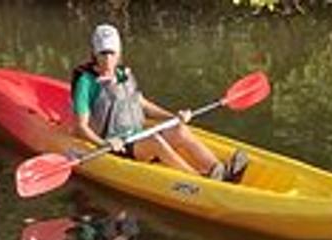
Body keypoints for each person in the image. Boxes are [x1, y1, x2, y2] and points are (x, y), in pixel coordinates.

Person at [70, 23, 248, 184]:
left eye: (112, 53)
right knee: (155, 142)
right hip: (117, 145)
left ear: (119, 53)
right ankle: (199, 182)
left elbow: (142, 104)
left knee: (180, 129)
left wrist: (173, 117)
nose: (108, 59)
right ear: (94, 53)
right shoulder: (86, 83)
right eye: (103, 53)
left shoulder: (123, 74)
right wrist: (103, 143)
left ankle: (218, 170)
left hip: (137, 136)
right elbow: (81, 127)